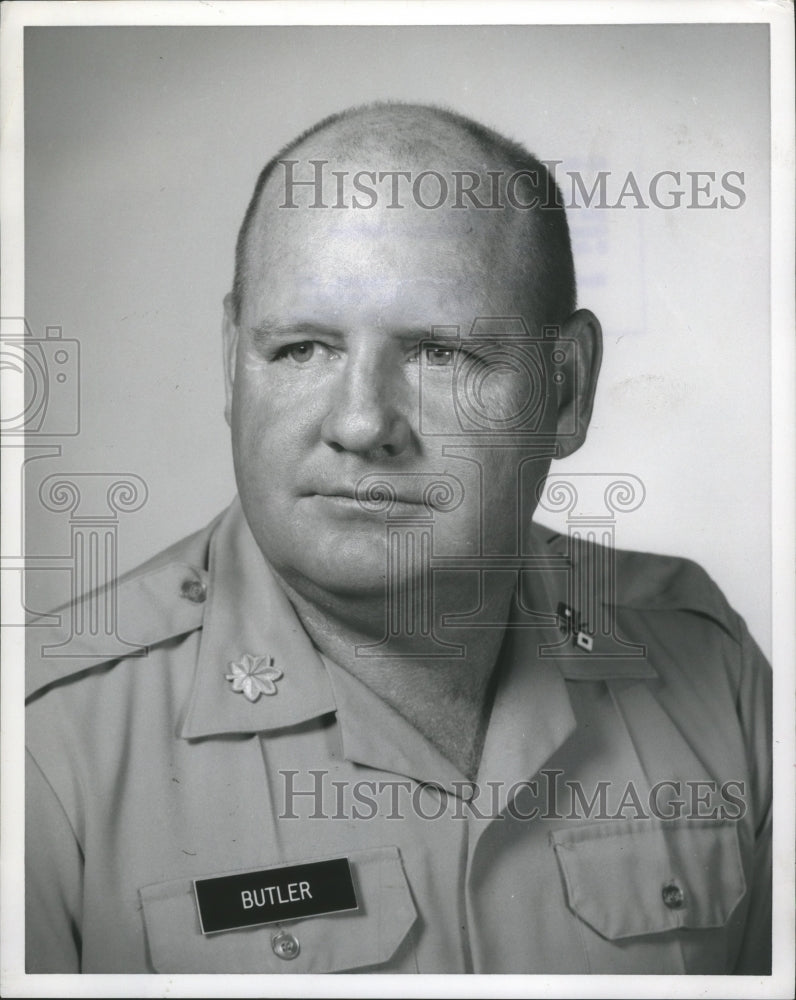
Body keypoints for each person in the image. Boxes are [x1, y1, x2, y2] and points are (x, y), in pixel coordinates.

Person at [25, 103, 771, 974]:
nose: (361, 422)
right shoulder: (45, 749)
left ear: (566, 390)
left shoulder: (706, 666)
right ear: (232, 359)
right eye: (303, 349)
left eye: (441, 354)